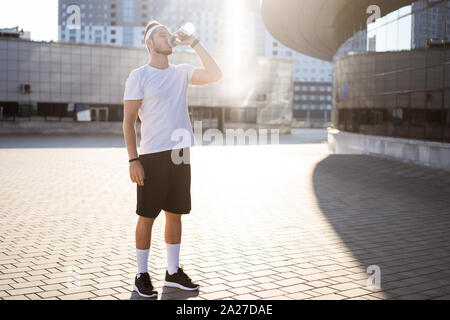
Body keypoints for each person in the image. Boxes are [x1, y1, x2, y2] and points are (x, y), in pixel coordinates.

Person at [122, 20, 222, 298]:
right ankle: (141, 275)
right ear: (149, 44)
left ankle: (173, 272)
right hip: (152, 155)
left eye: (169, 34)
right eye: (161, 35)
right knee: (146, 216)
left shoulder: (181, 72)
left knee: (175, 214)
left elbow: (215, 74)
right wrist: (133, 160)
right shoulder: (139, 75)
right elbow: (128, 122)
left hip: (180, 154)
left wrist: (194, 42)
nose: (168, 38)